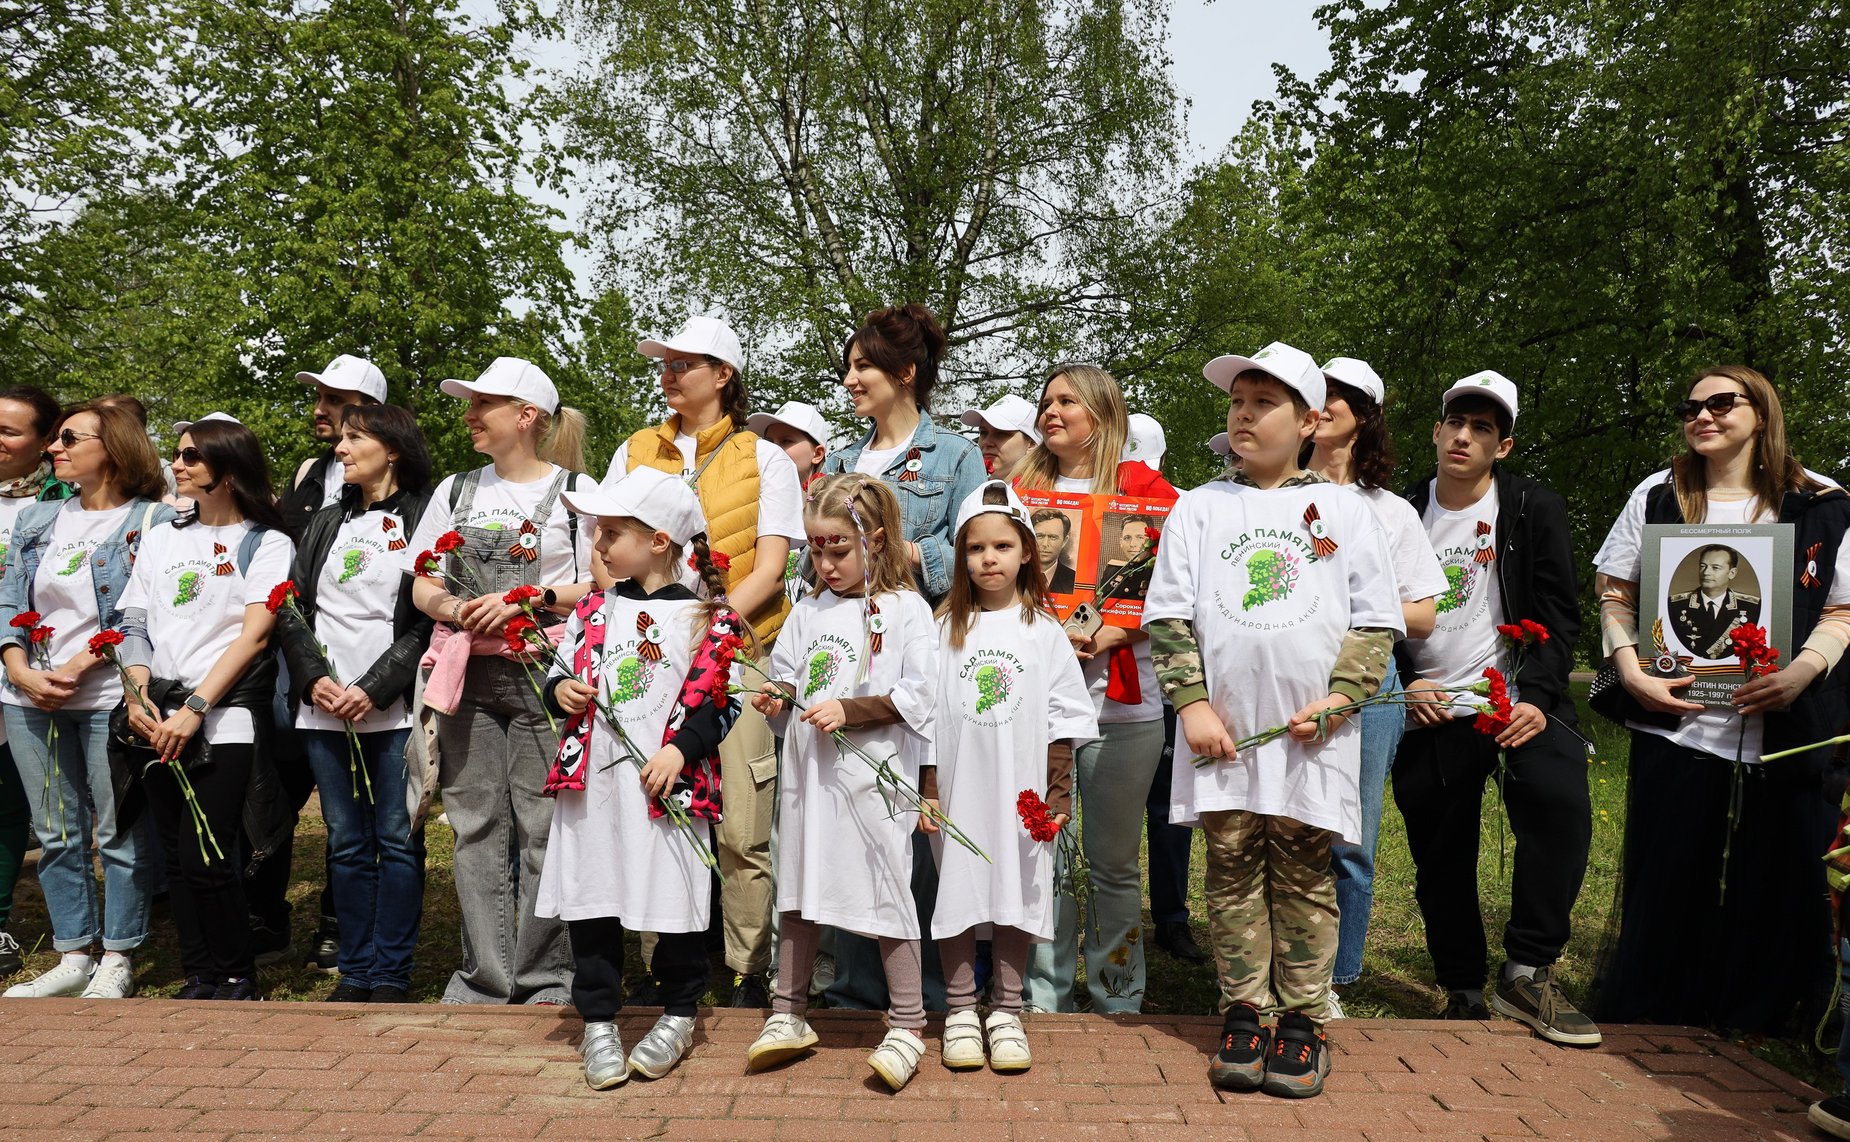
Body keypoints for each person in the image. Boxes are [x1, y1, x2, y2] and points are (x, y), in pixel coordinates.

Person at [1143, 340, 1401, 1098]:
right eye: (1237, 402)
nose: (1245, 414)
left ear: (1311, 420)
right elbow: (1167, 617)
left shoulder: (1345, 512)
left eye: (1265, 403)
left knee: (1303, 872)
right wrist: (1190, 703)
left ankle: (1304, 1019)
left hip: (1308, 733)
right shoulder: (1200, 506)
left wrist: (1341, 697)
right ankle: (1243, 1011)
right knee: (1229, 872)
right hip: (1222, 732)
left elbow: (1376, 621)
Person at [1594, 365, 1850, 1034]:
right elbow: (1613, 592)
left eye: (1721, 403)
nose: (1702, 416)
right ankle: (1659, 1008)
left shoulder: (1821, 501)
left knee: (1774, 880)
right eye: (1691, 407)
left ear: (1761, 413)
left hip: (1783, 730)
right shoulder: (1658, 493)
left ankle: (1757, 1015)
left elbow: (1844, 612)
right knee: (1670, 874)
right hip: (1674, 727)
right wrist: (1631, 672)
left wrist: (1799, 675)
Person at [1392, 370, 1598, 1045]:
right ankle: (1461, 986)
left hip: (1511, 699)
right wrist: (1403, 683)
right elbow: (1367, 612)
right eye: (1455, 422)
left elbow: (1559, 614)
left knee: (1558, 800)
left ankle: (1528, 971)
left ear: (1502, 447)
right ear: (1435, 430)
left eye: (1483, 428)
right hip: (1430, 706)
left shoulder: (1533, 507)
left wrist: (1539, 698)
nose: (1464, 436)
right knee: (1440, 847)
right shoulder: (1398, 512)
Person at [610, 316, 805, 1008]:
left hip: (740, 654)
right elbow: (605, 550)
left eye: (683, 363)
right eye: (663, 364)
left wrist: (714, 630)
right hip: (650, 654)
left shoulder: (766, 458)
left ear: (723, 375)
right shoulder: (635, 449)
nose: (667, 374)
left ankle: (747, 970)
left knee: (744, 827)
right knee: (654, 811)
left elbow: (774, 566)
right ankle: (660, 961)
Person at [535, 467, 744, 1087]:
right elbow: (561, 668)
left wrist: (682, 750)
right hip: (595, 787)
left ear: (658, 540)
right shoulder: (596, 609)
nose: (597, 543)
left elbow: (718, 704)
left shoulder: (709, 617)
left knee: (673, 896)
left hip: (665, 790)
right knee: (592, 894)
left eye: (611, 531)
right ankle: (598, 1017)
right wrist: (561, 688)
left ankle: (679, 1010)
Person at [407, 356, 595, 1006]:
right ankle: (485, 980)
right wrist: (457, 609)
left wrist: (532, 599)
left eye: (481, 404)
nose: (469, 415)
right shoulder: (455, 492)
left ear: (527, 416)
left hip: (546, 679)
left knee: (545, 828)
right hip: (469, 679)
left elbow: (602, 580)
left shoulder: (577, 490)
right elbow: (423, 582)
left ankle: (546, 979)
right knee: (475, 826)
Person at [746, 474, 938, 1091]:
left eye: (839, 550)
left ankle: (908, 1022)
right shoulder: (807, 611)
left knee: (886, 889)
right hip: (812, 780)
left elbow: (920, 695)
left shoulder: (908, 610)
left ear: (876, 541)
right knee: (799, 885)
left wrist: (849, 710)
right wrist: (779, 699)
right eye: (816, 550)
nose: (825, 564)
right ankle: (789, 1014)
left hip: (873, 783)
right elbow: (789, 676)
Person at [819, 304, 983, 1014]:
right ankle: (857, 988)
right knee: (852, 813)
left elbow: (981, 552)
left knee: (919, 819)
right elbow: (812, 558)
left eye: (863, 366)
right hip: (846, 666)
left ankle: (932, 995)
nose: (850, 379)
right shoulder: (839, 460)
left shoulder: (955, 455)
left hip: (927, 661)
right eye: (849, 367)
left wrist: (909, 551)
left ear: (905, 373)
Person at [1011, 362, 1177, 1014]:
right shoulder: (1016, 492)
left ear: (1103, 415)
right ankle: (1043, 996)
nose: (1051, 412)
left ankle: (1118, 993)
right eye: (1046, 401)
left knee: (1111, 861)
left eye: (1067, 402)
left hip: (1123, 704)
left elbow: (1175, 594)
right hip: (1040, 702)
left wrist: (1118, 632)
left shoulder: (1157, 495)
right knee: (1046, 848)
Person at [119, 416, 295, 1001]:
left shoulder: (267, 543)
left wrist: (195, 707)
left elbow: (254, 636)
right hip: (155, 713)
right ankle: (198, 974)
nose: (179, 463)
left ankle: (238, 974)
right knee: (173, 854)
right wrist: (138, 696)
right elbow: (134, 621)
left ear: (228, 467)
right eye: (178, 454)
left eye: (192, 455)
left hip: (224, 717)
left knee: (209, 850)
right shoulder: (163, 535)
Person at [0, 401, 171, 998]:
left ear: (115, 447)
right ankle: (73, 955)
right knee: (55, 832)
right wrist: (18, 667)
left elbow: (141, 612)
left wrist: (76, 666)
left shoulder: (152, 521)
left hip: (103, 697)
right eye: (54, 438)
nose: (54, 448)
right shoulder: (39, 519)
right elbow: (9, 600)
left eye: (70, 437)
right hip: (30, 699)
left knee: (118, 830)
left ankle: (119, 955)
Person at [932, 481, 1096, 1073]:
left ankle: (1005, 1009)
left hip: (1021, 793)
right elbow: (923, 714)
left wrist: (1058, 795)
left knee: (1016, 895)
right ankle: (956, 1009)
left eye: (1002, 545)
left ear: (1026, 550)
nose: (989, 559)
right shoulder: (945, 627)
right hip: (957, 791)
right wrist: (928, 789)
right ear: (961, 556)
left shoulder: (1042, 630)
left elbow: (1063, 720)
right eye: (976, 549)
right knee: (958, 891)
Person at [274, 404, 435, 1004]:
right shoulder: (324, 520)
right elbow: (288, 603)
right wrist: (313, 675)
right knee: (343, 839)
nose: (339, 449)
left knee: (396, 837)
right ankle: (355, 969)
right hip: (322, 705)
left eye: (354, 438)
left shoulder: (422, 518)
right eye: (340, 439)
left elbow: (428, 619)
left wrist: (375, 686)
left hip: (388, 706)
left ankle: (391, 972)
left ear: (391, 450)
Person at [1302, 357, 1445, 1013]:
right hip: (1289, 669)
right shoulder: (1274, 495)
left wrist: (1358, 602)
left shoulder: (1391, 513)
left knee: (1350, 837)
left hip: (1370, 676)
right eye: (1316, 392)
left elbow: (1422, 615)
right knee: (1282, 825)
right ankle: (1276, 968)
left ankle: (1334, 978)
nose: (1324, 404)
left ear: (1367, 416)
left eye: (1341, 396)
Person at [0, 385, 72, 978]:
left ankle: (0, 924)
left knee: (11, 803)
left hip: (27, 673)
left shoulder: (64, 505)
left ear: (45, 443)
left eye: (9, 431)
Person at [1666, 545, 1761, 659]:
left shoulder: (1752, 607)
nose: (1706, 572)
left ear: (1732, 573)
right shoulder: (1675, 606)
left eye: (1715, 567)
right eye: (1702, 566)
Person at [960, 395, 1040, 482]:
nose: (987, 442)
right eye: (983, 432)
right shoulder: (968, 489)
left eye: (1001, 433)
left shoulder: (1050, 491)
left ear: (1031, 444)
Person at [1030, 509, 1078, 594]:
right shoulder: (1014, 575)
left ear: (1064, 541)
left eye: (1053, 537)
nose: (1045, 544)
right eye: (1039, 536)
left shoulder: (1074, 580)